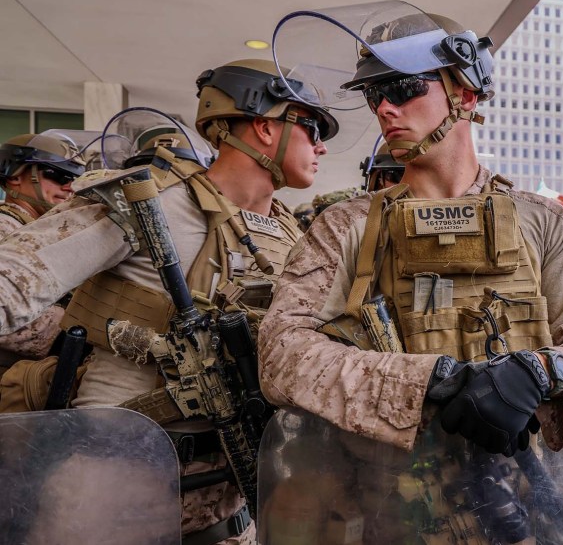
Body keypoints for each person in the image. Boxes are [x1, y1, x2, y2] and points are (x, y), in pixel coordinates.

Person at [257, 4, 563, 539]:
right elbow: (281, 353)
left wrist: (544, 374)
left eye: (405, 87)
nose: (385, 108)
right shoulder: (345, 227)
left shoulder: (541, 223)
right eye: (373, 94)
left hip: (519, 510)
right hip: (389, 510)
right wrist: (425, 382)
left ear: (466, 95)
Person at [0, 59, 337, 544]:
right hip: (113, 486)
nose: (321, 144)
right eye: (311, 127)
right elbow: (13, 280)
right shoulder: (146, 201)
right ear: (265, 126)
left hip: (230, 500)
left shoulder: (290, 233)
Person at [0, 133, 86, 383]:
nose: (69, 187)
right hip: (10, 381)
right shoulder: (5, 227)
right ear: (15, 175)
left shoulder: (38, 230)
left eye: (74, 179)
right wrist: (74, 329)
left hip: (31, 376)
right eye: (58, 176)